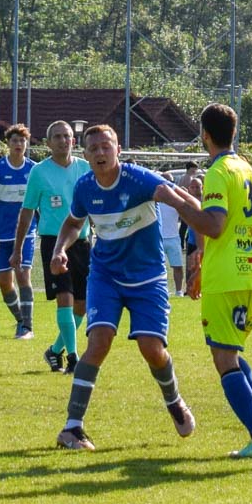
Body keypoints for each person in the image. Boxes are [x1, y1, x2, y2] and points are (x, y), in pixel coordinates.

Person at [48, 125, 196, 452]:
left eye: (106, 146)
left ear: (118, 150)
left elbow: (178, 198)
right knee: (98, 343)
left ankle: (174, 401)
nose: (100, 153)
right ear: (86, 155)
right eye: (94, 149)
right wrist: (60, 250)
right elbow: (73, 222)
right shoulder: (85, 187)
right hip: (106, 276)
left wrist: (203, 229)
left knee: (151, 349)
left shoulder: (139, 179)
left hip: (148, 277)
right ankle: (72, 428)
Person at [170, 104, 252, 459]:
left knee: (223, 358)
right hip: (250, 270)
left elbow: (214, 225)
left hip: (228, 276)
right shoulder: (245, 167)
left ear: (204, 135)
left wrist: (182, 206)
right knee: (229, 350)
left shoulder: (218, 172)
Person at [13, 121, 89, 373]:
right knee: (64, 298)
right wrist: (17, 248)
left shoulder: (85, 168)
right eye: (57, 136)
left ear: (74, 141)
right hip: (53, 243)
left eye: (67, 136)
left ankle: (55, 350)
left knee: (82, 305)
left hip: (82, 243)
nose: (63, 141)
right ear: (48, 143)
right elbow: (27, 212)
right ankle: (74, 358)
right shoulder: (39, 172)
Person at [0, 125, 38, 339]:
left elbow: (40, 202)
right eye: (14, 141)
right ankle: (20, 320)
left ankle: (27, 327)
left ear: (27, 144)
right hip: (1, 233)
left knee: (23, 275)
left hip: (26, 233)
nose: (18, 144)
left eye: (22, 141)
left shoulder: (34, 169)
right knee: (5, 284)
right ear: (8, 144)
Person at [157, 190, 185, 296]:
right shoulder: (155, 202)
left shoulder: (175, 202)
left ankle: (179, 291)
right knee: (158, 267)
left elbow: (185, 214)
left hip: (174, 238)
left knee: (178, 266)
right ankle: (161, 291)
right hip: (158, 239)